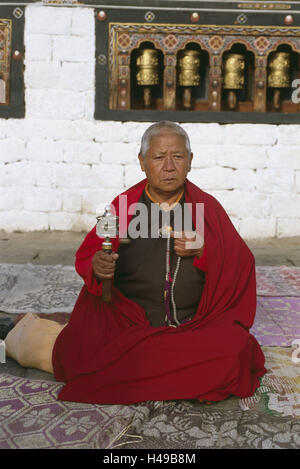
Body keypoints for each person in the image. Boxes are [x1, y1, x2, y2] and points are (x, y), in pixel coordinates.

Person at [4, 121, 266, 405]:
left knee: (236, 352)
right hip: (128, 323)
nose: (168, 166)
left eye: (177, 156)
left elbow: (242, 264)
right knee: (80, 350)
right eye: (158, 157)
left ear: (190, 162)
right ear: (142, 162)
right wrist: (98, 266)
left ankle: (148, 367)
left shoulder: (207, 207)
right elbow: (90, 254)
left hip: (192, 328)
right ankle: (17, 332)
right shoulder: (124, 206)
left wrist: (207, 250)